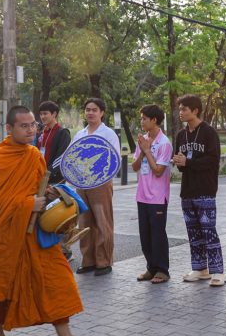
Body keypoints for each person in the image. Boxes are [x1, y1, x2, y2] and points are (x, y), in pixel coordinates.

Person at [0, 105, 99, 336]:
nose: (31, 130)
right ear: (9, 128)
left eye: (33, 125)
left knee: (56, 279)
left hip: (35, 235)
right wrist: (27, 203)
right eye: (24, 126)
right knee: (0, 287)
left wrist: (48, 193)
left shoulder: (33, 155)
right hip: (6, 237)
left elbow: (37, 186)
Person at [174, 95, 226, 286]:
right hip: (187, 190)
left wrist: (188, 162)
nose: (181, 112)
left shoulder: (209, 132)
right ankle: (199, 268)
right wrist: (180, 162)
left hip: (205, 189)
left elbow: (212, 160)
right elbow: (181, 165)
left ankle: (218, 271)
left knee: (208, 231)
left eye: (184, 109)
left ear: (195, 110)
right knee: (193, 232)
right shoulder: (181, 135)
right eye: (180, 109)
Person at [72, 97, 121, 276]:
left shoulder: (108, 134)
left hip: (101, 184)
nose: (90, 113)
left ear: (102, 113)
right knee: (84, 222)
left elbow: (115, 159)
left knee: (102, 221)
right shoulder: (80, 134)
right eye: (88, 110)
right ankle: (88, 261)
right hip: (82, 184)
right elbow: (72, 158)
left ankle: (103, 261)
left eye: (94, 110)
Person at [132, 104, 173, 284]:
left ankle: (162, 270)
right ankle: (151, 268)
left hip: (157, 197)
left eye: (144, 118)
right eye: (141, 118)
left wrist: (147, 151)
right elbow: (134, 167)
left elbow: (158, 171)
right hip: (142, 195)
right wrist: (142, 152)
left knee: (157, 235)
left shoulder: (164, 143)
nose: (141, 122)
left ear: (154, 120)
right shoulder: (143, 141)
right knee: (145, 235)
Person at [36, 100, 71, 185]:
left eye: (45, 113)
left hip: (54, 180)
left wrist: (48, 173)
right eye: (41, 114)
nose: (42, 117)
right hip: (39, 176)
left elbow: (62, 157)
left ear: (54, 114)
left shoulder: (63, 133)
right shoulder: (41, 133)